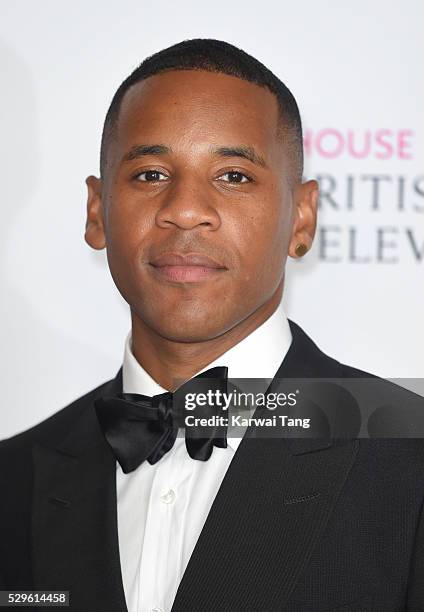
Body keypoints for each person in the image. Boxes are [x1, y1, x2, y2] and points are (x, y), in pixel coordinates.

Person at [1, 38, 424, 612]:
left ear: (302, 219)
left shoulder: (410, 458)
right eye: (150, 174)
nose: (185, 208)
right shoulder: (13, 477)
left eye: (233, 176)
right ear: (97, 213)